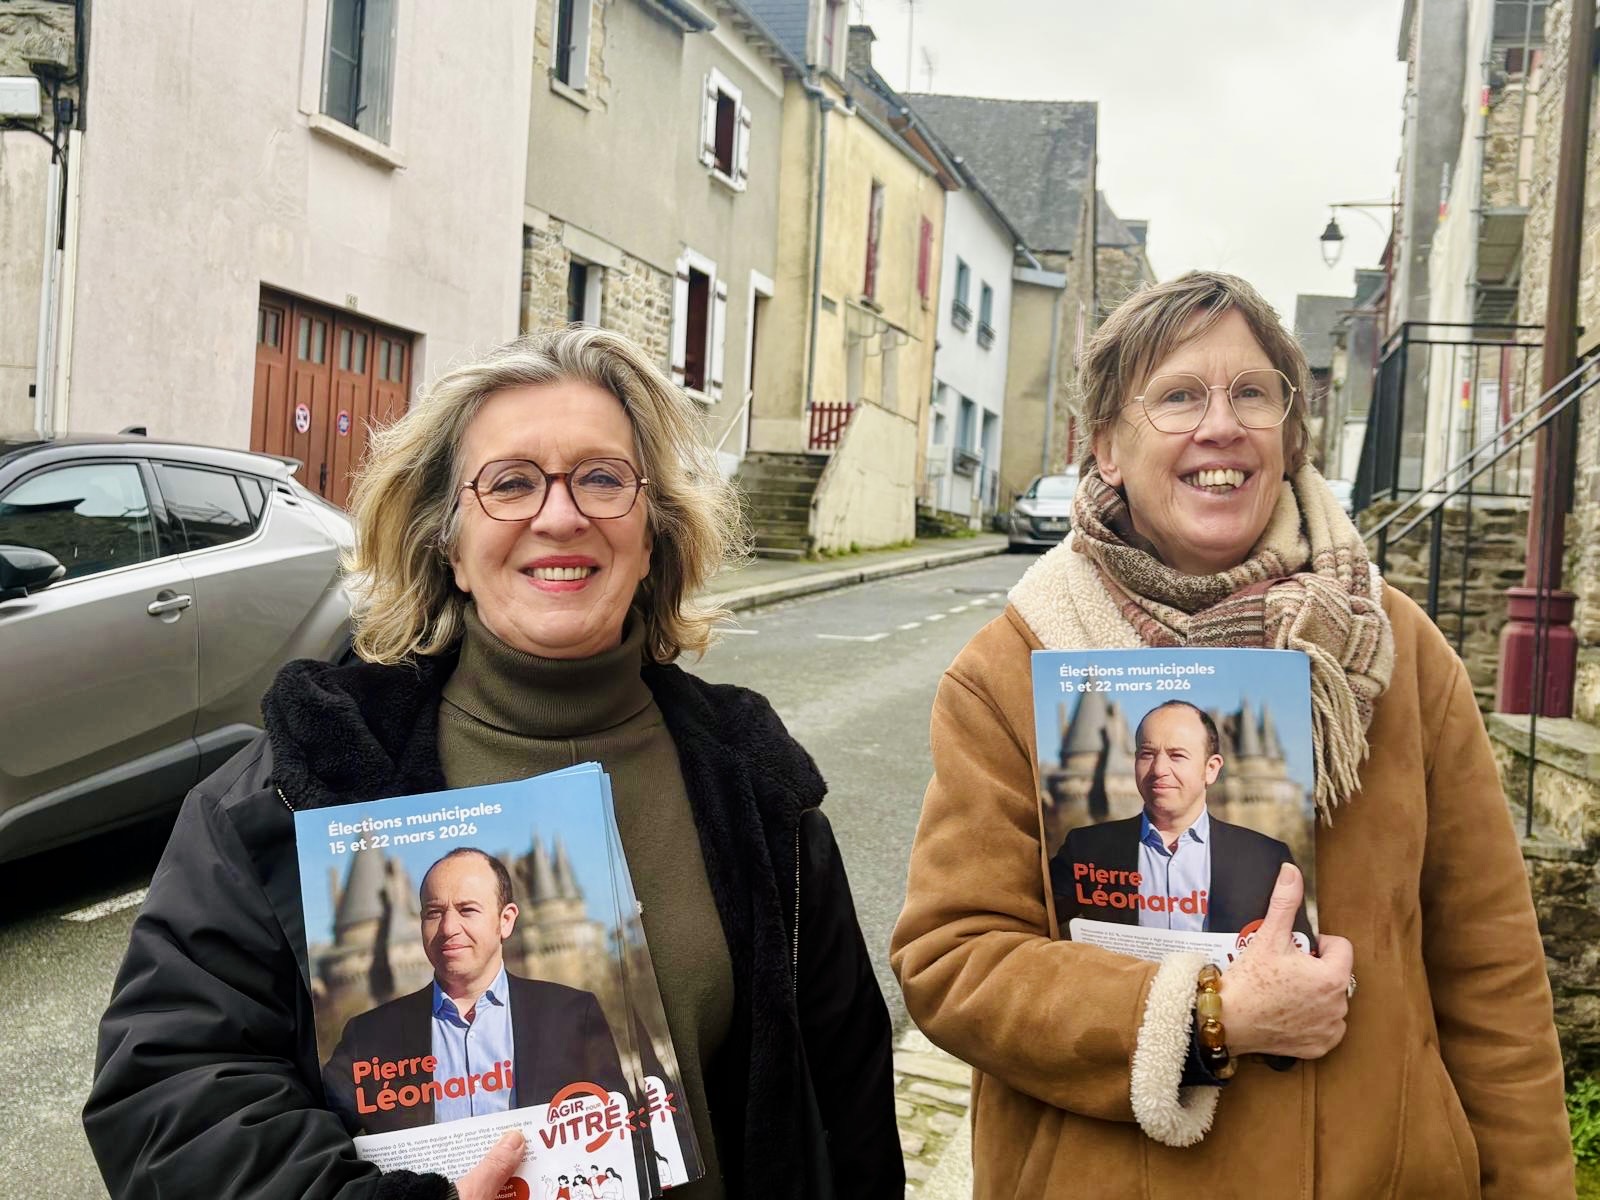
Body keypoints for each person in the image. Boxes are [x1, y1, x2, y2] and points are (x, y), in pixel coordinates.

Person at [84, 327, 901, 1200]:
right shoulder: (299, 783)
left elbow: (846, 1102)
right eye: (511, 483)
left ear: (652, 534)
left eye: (602, 478)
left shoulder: (757, 784)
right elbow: (172, 1093)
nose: (561, 515)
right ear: (449, 542)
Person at [891, 271, 1574, 1196]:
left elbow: (1490, 971)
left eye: (1253, 393)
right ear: (1106, 446)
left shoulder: (1397, 653)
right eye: (1177, 396)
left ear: (1291, 435)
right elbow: (954, 960)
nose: (1221, 425)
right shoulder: (1012, 667)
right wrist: (1207, 1016)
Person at [321, 847, 627, 1134]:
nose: (448, 928)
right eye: (433, 912)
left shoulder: (572, 1015)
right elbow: (318, 1139)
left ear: (505, 921)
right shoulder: (368, 1037)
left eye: (467, 910)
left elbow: (623, 1131)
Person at [1050, 700, 1313, 939]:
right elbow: (1036, 932)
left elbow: (1300, 953)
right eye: (1147, 754)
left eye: (1177, 755)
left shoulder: (1266, 858)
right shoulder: (1084, 849)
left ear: (1211, 769)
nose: (1159, 769)